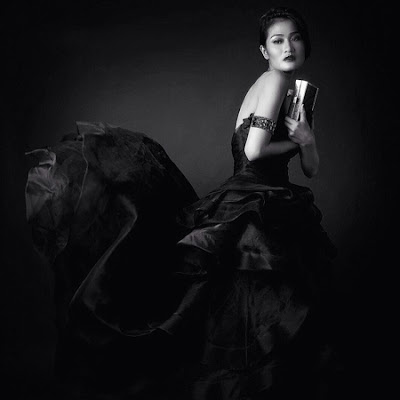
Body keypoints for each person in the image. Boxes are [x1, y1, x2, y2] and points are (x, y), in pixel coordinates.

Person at [25, 6, 337, 400]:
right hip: (253, 200)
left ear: (305, 44)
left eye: (295, 38)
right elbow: (255, 151)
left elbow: (311, 168)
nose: (288, 47)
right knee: (259, 305)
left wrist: (308, 139)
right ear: (264, 51)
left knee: (254, 308)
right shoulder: (274, 81)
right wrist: (298, 141)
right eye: (278, 40)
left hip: (270, 200)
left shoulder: (297, 94)